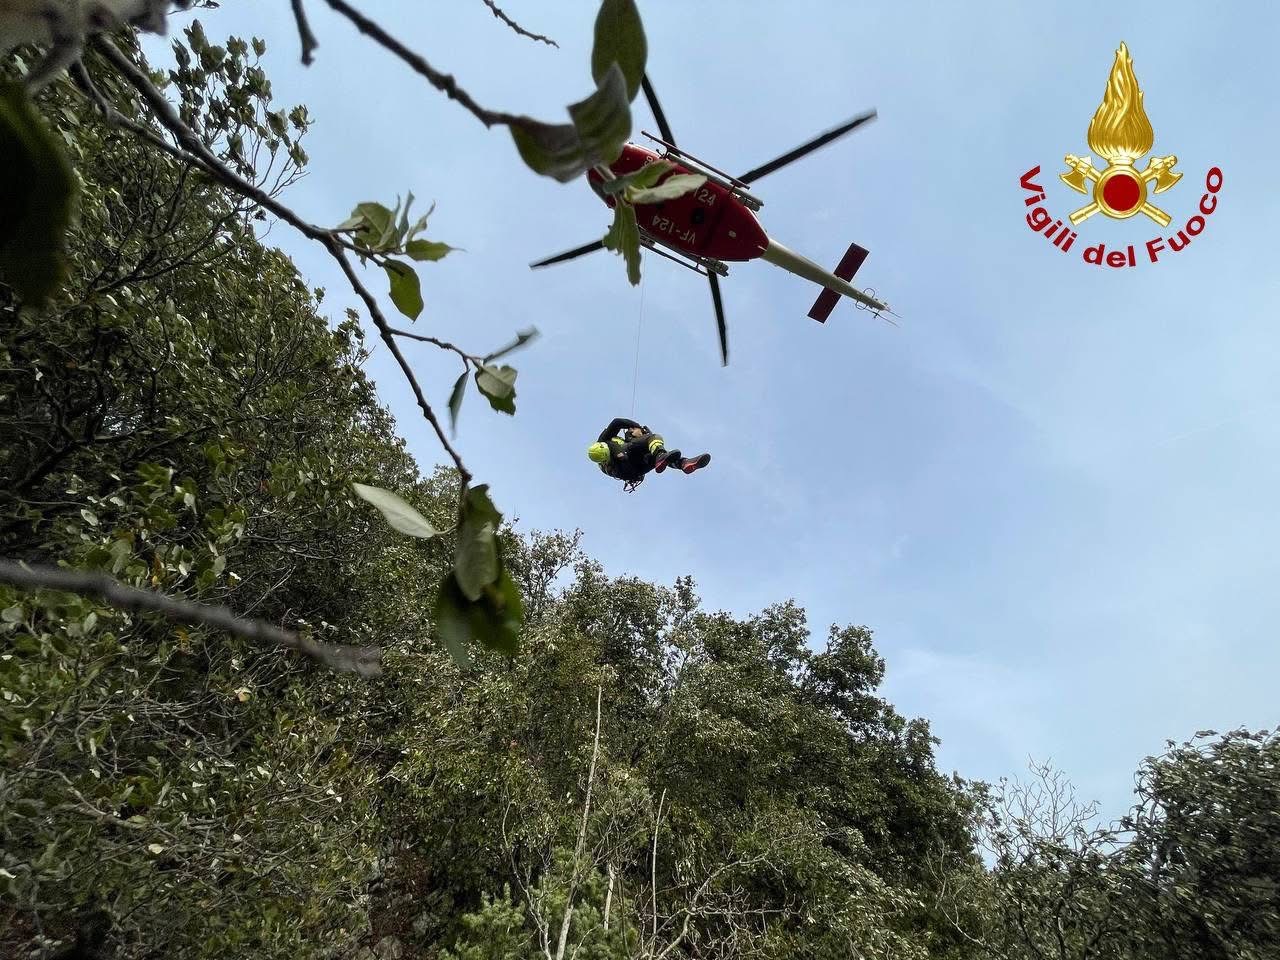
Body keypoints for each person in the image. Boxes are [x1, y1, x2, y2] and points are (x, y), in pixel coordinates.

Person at [587, 418, 710, 490]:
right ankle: (664, 456)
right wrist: (638, 428)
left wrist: (635, 432)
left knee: (652, 457)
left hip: (637, 470)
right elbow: (617, 425)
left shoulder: (604, 461)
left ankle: (683, 463)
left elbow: (617, 424)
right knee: (653, 438)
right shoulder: (606, 443)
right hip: (629, 465)